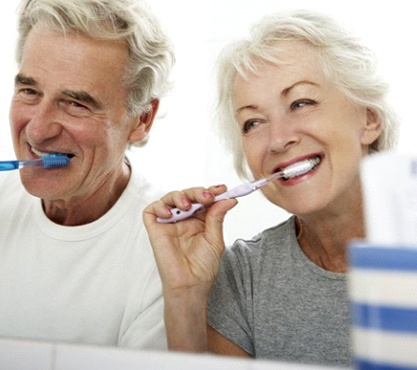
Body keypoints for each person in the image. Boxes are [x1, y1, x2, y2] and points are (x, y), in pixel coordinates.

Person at [143, 9, 399, 367]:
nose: (277, 140)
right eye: (253, 122)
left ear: (369, 118)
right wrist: (185, 296)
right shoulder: (242, 275)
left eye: (301, 103)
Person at [0, 0, 174, 349]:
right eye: (30, 92)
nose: (37, 131)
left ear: (142, 119)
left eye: (76, 103)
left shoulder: (166, 253)